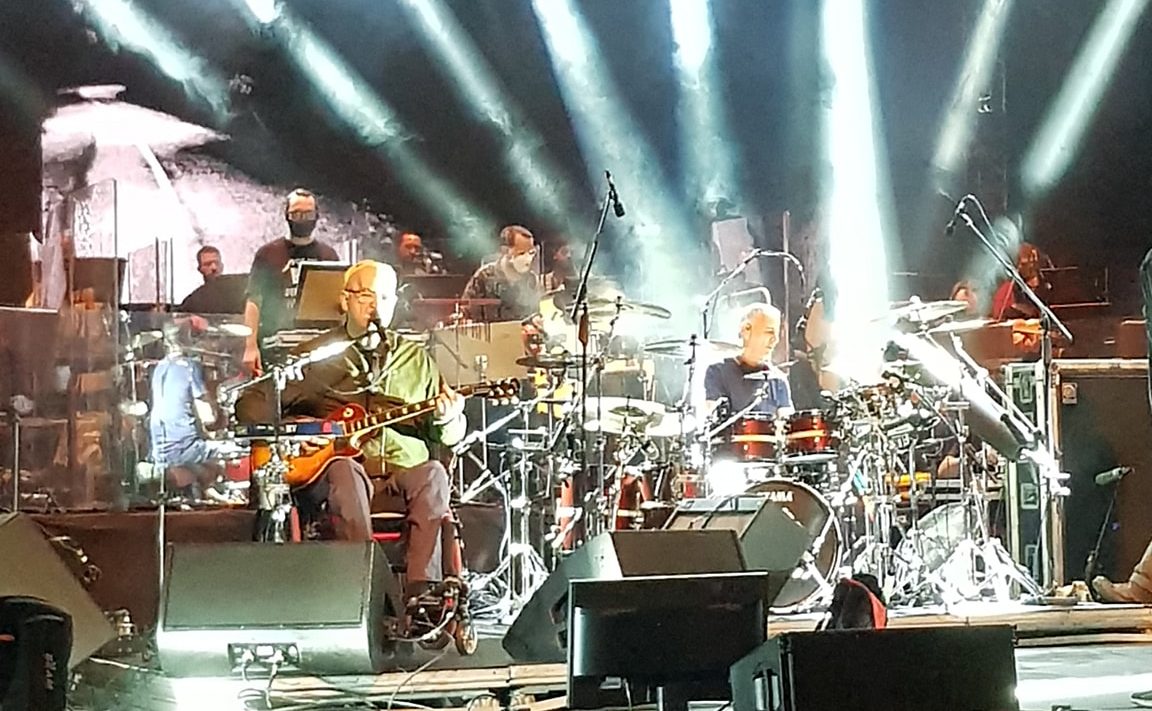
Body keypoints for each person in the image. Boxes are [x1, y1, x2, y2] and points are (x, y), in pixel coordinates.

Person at [234, 260, 466, 602]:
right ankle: (365, 589)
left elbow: (449, 437)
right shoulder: (315, 357)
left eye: (384, 298)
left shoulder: (416, 360)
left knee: (434, 474)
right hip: (340, 481)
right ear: (345, 300)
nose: (376, 307)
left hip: (401, 477)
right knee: (344, 469)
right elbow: (250, 406)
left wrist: (450, 419)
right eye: (366, 296)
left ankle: (422, 595)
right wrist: (299, 431)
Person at [242, 189, 341, 375]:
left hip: (318, 348)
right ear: (286, 215)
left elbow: (336, 305)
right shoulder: (268, 254)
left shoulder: (328, 255)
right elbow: (254, 300)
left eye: (308, 214)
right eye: (296, 213)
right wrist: (250, 346)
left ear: (317, 215)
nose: (302, 219)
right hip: (274, 348)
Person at [149, 320, 229, 500]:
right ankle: (215, 494)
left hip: (160, 452)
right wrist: (221, 409)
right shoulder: (189, 367)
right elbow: (208, 419)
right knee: (232, 452)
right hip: (185, 450)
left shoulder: (159, 367)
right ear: (188, 340)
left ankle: (205, 492)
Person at [704, 302, 794, 420]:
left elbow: (787, 422)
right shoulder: (717, 371)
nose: (775, 340)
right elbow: (711, 416)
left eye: (777, 334)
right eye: (769, 332)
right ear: (746, 330)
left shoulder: (778, 379)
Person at [460, 225, 541, 322]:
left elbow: (536, 314)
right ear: (505, 251)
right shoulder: (483, 277)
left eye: (531, 253)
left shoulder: (532, 280)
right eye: (521, 253)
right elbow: (465, 313)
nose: (528, 259)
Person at [177, 246, 245, 314]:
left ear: (222, 266)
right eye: (207, 264)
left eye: (217, 263)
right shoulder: (193, 301)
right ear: (200, 269)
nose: (214, 267)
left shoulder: (238, 292)